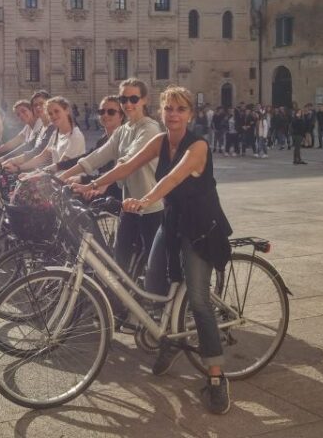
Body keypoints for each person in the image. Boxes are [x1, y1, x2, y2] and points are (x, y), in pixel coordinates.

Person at [93, 85, 233, 415]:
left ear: (190, 114)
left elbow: (171, 179)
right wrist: (92, 183)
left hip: (200, 228)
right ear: (162, 111)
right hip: (171, 224)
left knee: (198, 300)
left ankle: (216, 375)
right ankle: (170, 338)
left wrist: (144, 200)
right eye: (169, 108)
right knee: (154, 284)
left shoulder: (197, 145)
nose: (173, 114)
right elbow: (127, 166)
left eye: (180, 109)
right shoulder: (160, 141)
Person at [63, 79, 164, 284]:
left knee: (154, 269)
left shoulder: (150, 129)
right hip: (130, 206)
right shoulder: (123, 130)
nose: (128, 104)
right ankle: (126, 305)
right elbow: (97, 156)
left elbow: (126, 164)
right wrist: (61, 176)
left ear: (144, 100)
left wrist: (92, 184)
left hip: (151, 207)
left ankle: (161, 308)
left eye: (133, 98)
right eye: (123, 99)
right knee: (120, 261)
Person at [11, 97, 85, 172]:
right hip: (56, 178)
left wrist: (34, 174)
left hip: (68, 181)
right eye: (50, 113)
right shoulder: (56, 134)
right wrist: (19, 168)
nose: (53, 115)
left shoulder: (75, 136)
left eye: (56, 111)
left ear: (67, 110)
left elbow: (60, 166)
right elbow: (41, 157)